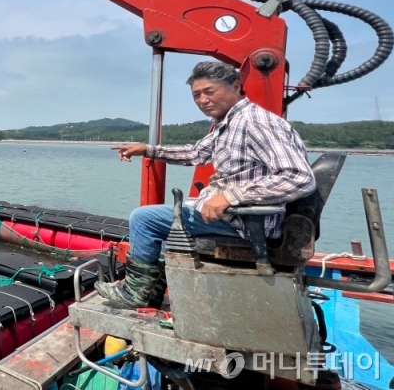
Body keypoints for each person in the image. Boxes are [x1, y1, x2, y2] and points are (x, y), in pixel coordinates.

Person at [98, 61, 316, 309]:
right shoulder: (229, 124)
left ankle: (135, 293)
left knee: (144, 219)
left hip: (246, 222)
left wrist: (231, 196)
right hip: (238, 217)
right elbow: (195, 153)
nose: (203, 100)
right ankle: (150, 291)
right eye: (196, 95)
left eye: (209, 92)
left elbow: (299, 177)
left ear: (235, 86)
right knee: (164, 224)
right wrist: (148, 150)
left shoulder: (255, 122)